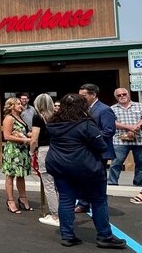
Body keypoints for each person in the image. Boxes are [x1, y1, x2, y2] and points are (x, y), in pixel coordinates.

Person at [46, 93, 126, 248]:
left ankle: (68, 236)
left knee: (66, 200)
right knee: (98, 200)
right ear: (82, 107)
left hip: (59, 166)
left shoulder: (53, 124)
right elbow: (101, 145)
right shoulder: (86, 124)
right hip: (86, 167)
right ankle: (105, 236)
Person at [75, 83, 117, 213]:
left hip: (98, 150)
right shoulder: (84, 109)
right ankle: (83, 203)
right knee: (83, 177)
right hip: (85, 151)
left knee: (98, 179)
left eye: (84, 95)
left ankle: (99, 203)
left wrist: (90, 137)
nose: (81, 98)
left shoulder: (104, 110)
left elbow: (109, 131)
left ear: (93, 95)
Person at [30, 93, 59, 227]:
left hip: (45, 150)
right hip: (59, 150)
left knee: (48, 184)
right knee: (59, 184)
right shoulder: (57, 116)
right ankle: (64, 212)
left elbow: (34, 138)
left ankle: (55, 215)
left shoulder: (38, 117)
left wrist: (31, 152)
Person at [1, 97, 33, 214]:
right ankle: (10, 201)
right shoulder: (9, 119)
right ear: (11, 106)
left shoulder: (21, 118)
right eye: (18, 104)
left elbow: (24, 132)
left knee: (21, 175)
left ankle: (23, 198)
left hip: (22, 151)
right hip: (13, 151)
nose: (21, 105)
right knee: (10, 175)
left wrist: (32, 135)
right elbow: (7, 136)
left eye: (21, 103)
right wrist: (25, 140)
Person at [108, 88, 142, 186]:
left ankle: (139, 185)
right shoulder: (112, 108)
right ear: (116, 97)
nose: (122, 96)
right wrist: (130, 128)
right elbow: (111, 122)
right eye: (119, 95)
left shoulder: (139, 105)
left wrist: (137, 127)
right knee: (116, 163)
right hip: (120, 141)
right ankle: (112, 183)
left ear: (128, 94)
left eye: (124, 94)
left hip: (139, 139)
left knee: (141, 164)